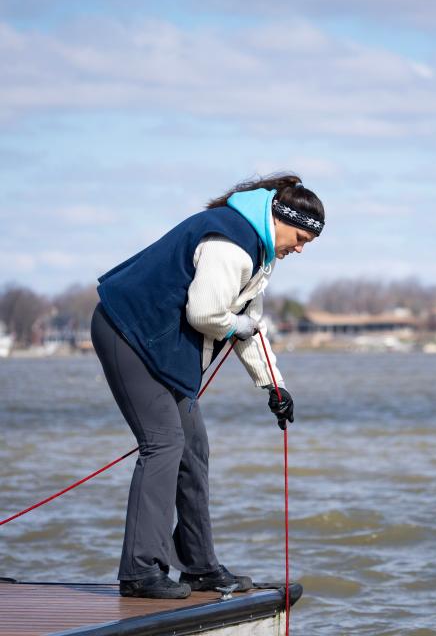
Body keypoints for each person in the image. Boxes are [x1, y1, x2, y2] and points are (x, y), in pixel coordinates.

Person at [90, 173, 324, 599]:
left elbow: (249, 326)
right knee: (163, 444)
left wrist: (274, 386)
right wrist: (239, 325)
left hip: (159, 348)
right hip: (125, 332)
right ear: (279, 218)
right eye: (300, 236)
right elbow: (207, 314)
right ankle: (141, 572)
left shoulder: (259, 254)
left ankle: (198, 567)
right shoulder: (230, 243)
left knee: (193, 448)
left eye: (310, 241)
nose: (301, 248)